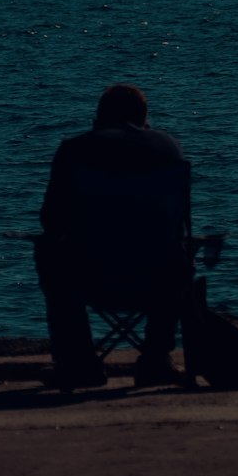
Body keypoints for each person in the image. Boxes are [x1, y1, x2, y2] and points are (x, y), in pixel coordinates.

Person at [35, 82, 188, 390]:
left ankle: (79, 362)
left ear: (98, 119)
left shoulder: (74, 150)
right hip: (157, 281)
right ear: (145, 120)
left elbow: (51, 220)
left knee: (47, 251)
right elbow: (180, 221)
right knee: (180, 253)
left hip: (90, 278)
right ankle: (156, 359)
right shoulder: (169, 148)